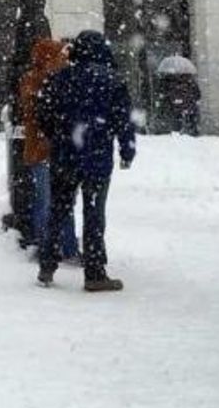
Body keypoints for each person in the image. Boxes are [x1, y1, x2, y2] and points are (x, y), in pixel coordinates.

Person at [36, 29, 135, 293]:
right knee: (94, 214)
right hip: (97, 157)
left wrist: (58, 136)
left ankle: (47, 265)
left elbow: (44, 113)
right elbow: (123, 120)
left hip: (65, 156)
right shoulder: (112, 81)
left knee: (58, 210)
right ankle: (94, 272)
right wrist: (126, 150)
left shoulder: (58, 78)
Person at [18, 36, 79, 261]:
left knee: (54, 200)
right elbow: (40, 114)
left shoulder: (36, 80)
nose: (64, 59)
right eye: (59, 55)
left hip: (45, 150)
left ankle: (57, 246)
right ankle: (57, 247)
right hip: (46, 150)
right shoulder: (40, 81)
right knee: (52, 201)